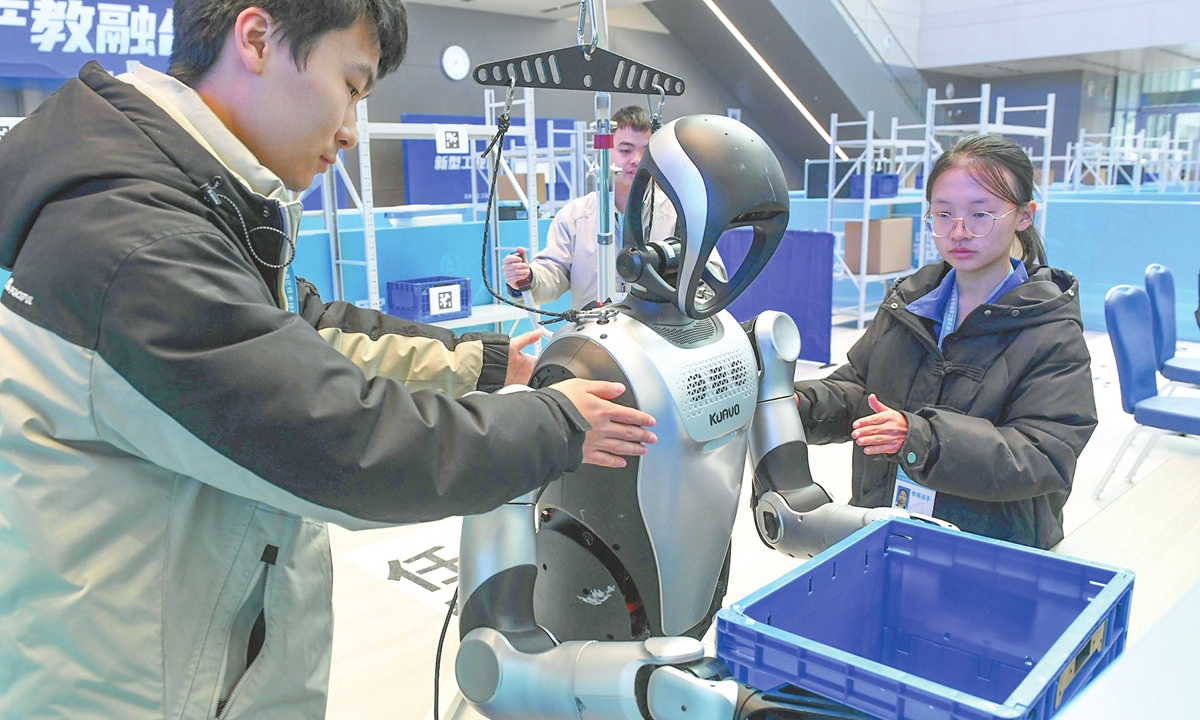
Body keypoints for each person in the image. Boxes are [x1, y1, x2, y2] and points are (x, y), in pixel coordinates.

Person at [0, 2, 657, 718]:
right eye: (351, 84)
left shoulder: (197, 206)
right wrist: (551, 426)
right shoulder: (136, 242)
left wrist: (492, 367)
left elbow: (309, 330)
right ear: (256, 39)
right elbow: (338, 441)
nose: (350, 130)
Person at [794, 135, 1097, 549]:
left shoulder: (1051, 329)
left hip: (988, 549)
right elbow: (859, 392)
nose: (958, 232)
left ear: (1024, 216)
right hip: (888, 526)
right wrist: (796, 405)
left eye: (980, 215)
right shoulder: (909, 302)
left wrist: (920, 439)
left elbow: (1044, 453)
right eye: (943, 214)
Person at [501, 105, 725, 310]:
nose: (637, 160)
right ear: (607, 153)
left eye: (645, 151)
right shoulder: (575, 216)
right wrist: (527, 278)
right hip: (595, 342)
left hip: (659, 341)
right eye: (626, 151)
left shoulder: (679, 214)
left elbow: (711, 276)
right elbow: (553, 274)